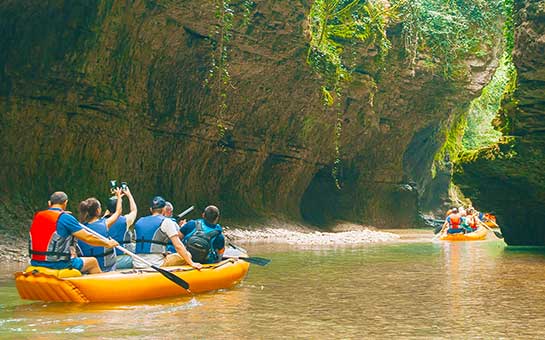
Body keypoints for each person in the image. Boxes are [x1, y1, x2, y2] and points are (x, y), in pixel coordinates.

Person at [29, 191, 118, 274]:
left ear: (49, 203)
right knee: (93, 261)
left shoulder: (38, 216)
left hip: (35, 262)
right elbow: (87, 238)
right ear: (65, 203)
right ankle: (100, 288)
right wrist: (107, 243)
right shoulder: (65, 218)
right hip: (57, 264)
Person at [133, 196, 202, 269]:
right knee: (187, 255)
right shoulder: (166, 221)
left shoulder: (139, 221)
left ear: (151, 209)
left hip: (138, 262)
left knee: (168, 254)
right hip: (157, 264)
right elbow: (178, 245)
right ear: (164, 209)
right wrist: (192, 263)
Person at [77, 189, 124, 272]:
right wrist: (119, 197)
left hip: (89, 268)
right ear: (98, 210)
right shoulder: (105, 223)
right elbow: (118, 212)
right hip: (107, 268)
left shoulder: (80, 229)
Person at [104, 186, 138, 269]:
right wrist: (129, 195)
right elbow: (134, 210)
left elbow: (108, 211)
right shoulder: (125, 220)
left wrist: (117, 197)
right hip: (119, 260)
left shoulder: (103, 222)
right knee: (137, 256)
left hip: (107, 259)